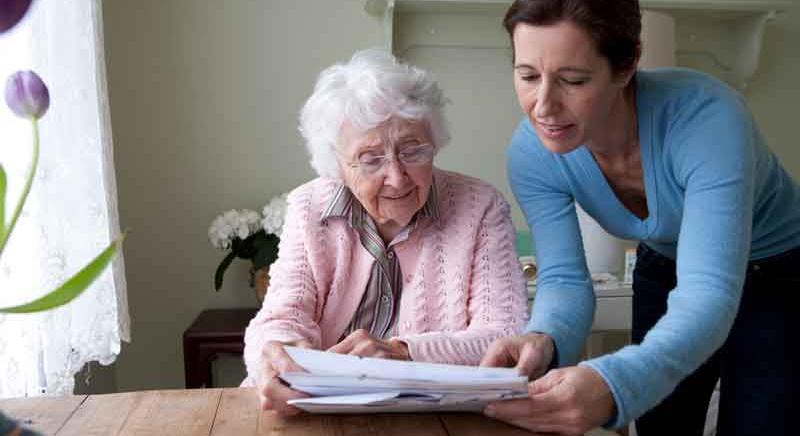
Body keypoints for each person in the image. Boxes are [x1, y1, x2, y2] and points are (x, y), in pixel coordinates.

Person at [480, 0, 800, 435]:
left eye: (573, 80)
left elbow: (708, 293)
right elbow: (563, 278)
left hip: (778, 273)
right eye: (528, 76)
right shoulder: (531, 153)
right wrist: (546, 337)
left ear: (627, 65)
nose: (544, 107)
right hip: (663, 265)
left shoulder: (708, 119)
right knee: (660, 425)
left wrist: (614, 383)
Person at [242, 49, 529, 416]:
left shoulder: (481, 206)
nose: (396, 177)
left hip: (434, 418)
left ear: (434, 142)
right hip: (317, 412)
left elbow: (504, 336)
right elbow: (280, 316)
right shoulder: (308, 208)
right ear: (337, 164)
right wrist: (277, 355)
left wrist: (400, 353)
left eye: (412, 151)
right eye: (371, 159)